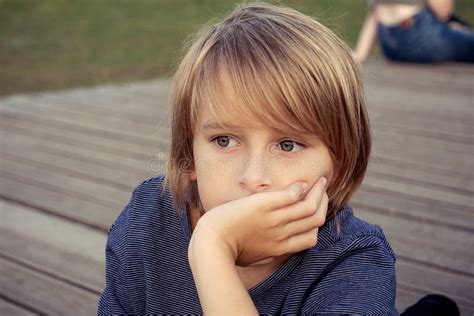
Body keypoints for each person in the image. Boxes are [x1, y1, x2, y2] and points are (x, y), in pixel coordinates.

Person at [97, 2, 398, 314]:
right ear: (189, 157)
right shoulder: (149, 220)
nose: (253, 178)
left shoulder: (353, 261)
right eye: (224, 140)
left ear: (341, 162)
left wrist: (212, 249)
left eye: (289, 145)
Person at [353, 0, 474, 63]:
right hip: (418, 36)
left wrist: (360, 53)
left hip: (389, 44)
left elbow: (375, 14)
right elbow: (443, 13)